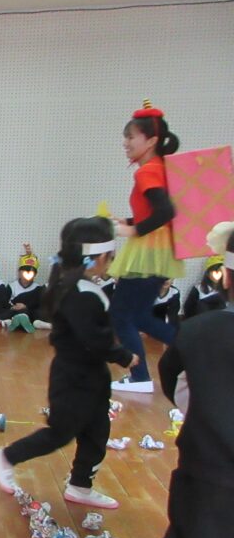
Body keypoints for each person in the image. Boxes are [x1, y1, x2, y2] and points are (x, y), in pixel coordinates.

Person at [115, 221, 234, 538]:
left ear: (227, 275)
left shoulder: (203, 330)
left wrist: (205, 413)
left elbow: (174, 379)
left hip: (214, 461)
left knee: (189, 536)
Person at [0, 217, 138, 509]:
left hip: (91, 375)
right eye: (111, 257)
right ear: (97, 258)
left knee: (97, 431)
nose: (111, 263)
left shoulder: (78, 286)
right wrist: (124, 356)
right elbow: (94, 338)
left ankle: (81, 485)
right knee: (60, 432)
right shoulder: (81, 292)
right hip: (74, 378)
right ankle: (6, 457)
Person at [109, 100, 183, 393]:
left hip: (148, 252)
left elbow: (165, 211)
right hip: (157, 251)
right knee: (138, 316)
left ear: (151, 141)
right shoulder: (158, 167)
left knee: (120, 315)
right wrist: (128, 220)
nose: (125, 143)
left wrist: (133, 229)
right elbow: (154, 210)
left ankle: (140, 378)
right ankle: (190, 350)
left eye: (130, 137)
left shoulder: (146, 171)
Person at [9, 244, 46, 330]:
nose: (27, 275)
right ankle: (17, 322)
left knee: (38, 312)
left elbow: (38, 304)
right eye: (25, 272)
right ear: (19, 272)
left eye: (31, 273)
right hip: (15, 311)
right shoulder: (11, 286)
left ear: (35, 274)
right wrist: (13, 307)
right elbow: (5, 302)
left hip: (30, 313)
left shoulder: (38, 288)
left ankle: (27, 323)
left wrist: (26, 306)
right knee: (9, 313)